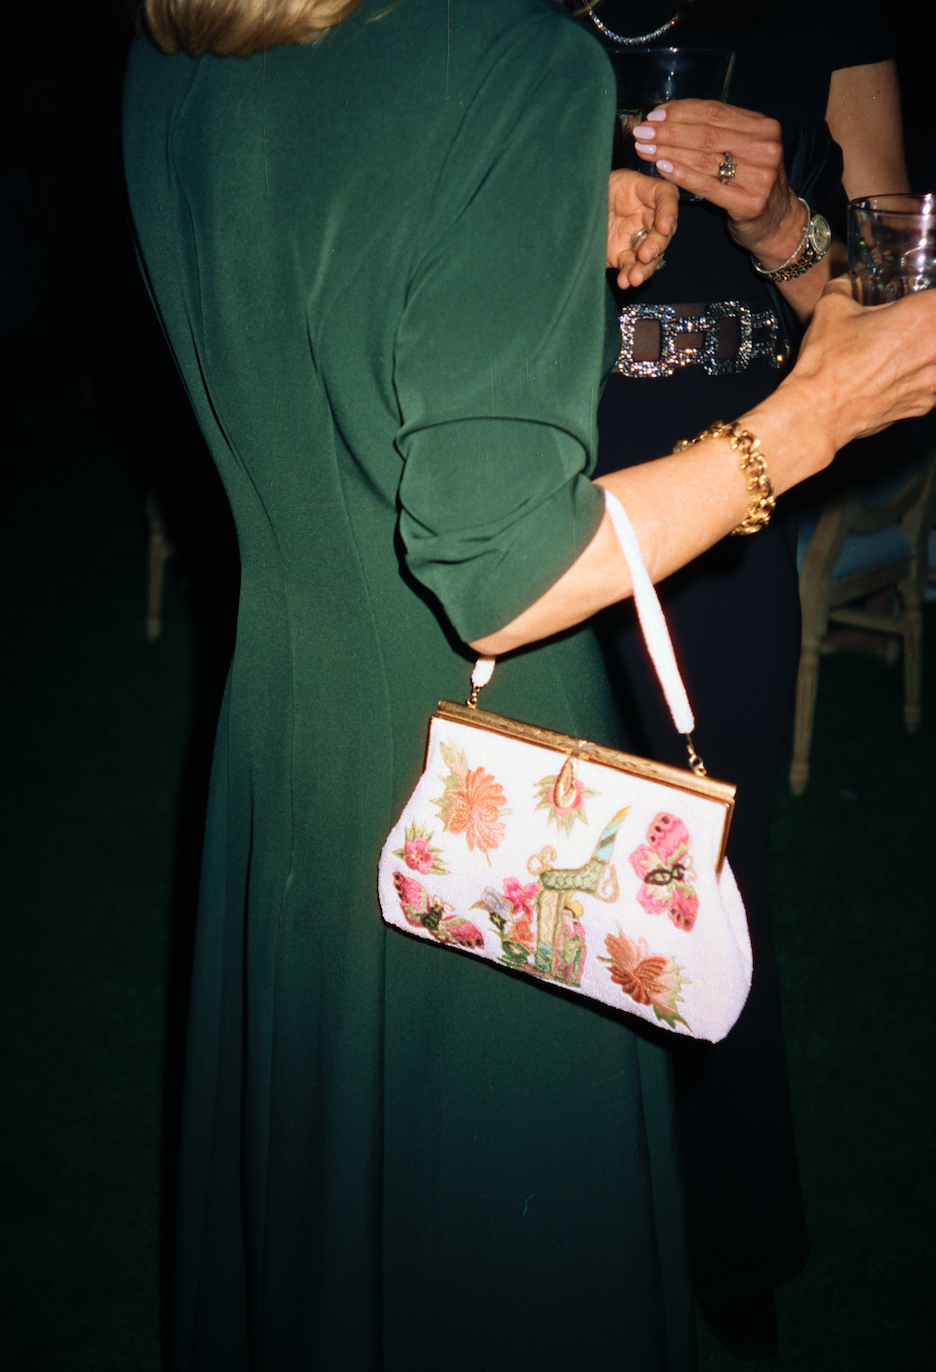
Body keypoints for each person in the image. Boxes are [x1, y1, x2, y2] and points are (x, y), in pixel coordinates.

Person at [122, 2, 936, 1368]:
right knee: (519, 1256)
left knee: (343, 1243)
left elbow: (352, 252)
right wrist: (821, 416)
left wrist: (753, 226)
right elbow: (501, 569)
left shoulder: (173, 55)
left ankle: (728, 1239)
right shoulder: (505, 49)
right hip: (501, 741)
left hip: (286, 741)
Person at [582, 0, 909, 1350]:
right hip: (518, 454)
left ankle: (726, 1234)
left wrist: (785, 230)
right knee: (512, 848)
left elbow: (896, 303)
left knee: (703, 877)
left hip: (725, 488)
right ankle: (546, 1207)